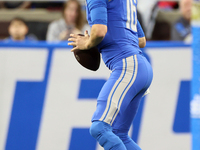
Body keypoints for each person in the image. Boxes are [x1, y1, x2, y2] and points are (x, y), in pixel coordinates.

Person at [68, 0, 153, 149]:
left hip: (127, 66)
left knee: (99, 128)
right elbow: (141, 40)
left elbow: (100, 31)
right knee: (119, 134)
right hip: (141, 66)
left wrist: (87, 44)